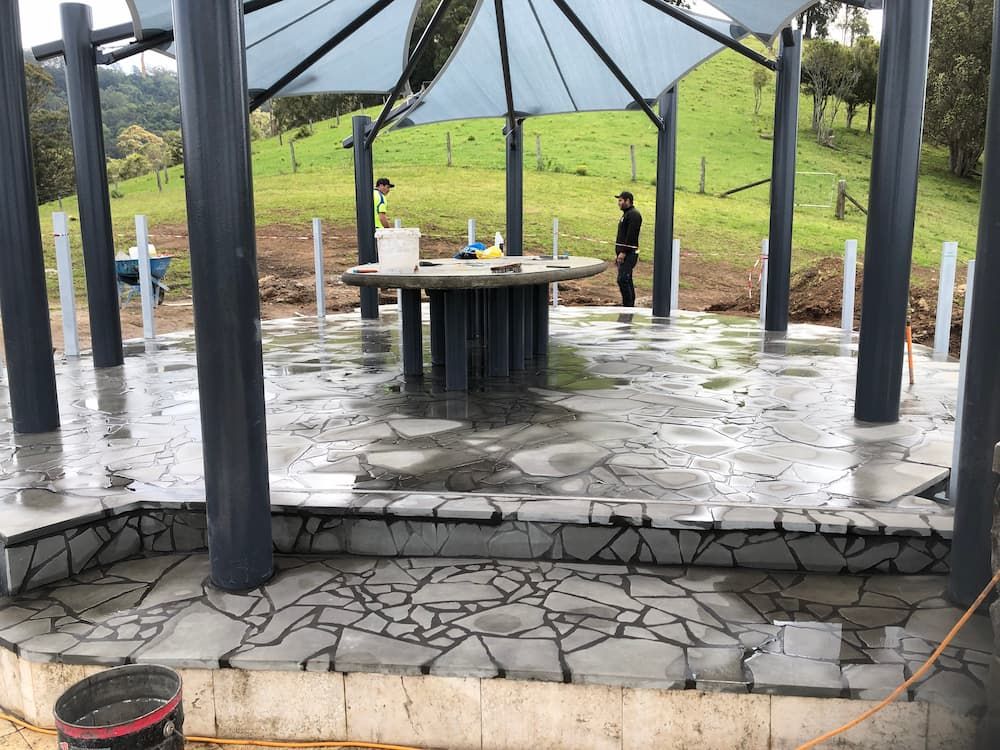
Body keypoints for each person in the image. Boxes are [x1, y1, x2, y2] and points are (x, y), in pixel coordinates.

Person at [614, 190, 642, 307]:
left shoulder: (634, 215)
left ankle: (628, 306)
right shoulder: (627, 214)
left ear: (628, 201)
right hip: (625, 253)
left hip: (630, 253)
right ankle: (629, 305)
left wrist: (623, 252)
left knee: (623, 279)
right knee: (627, 279)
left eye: (620, 200)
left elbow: (631, 236)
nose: (618, 203)